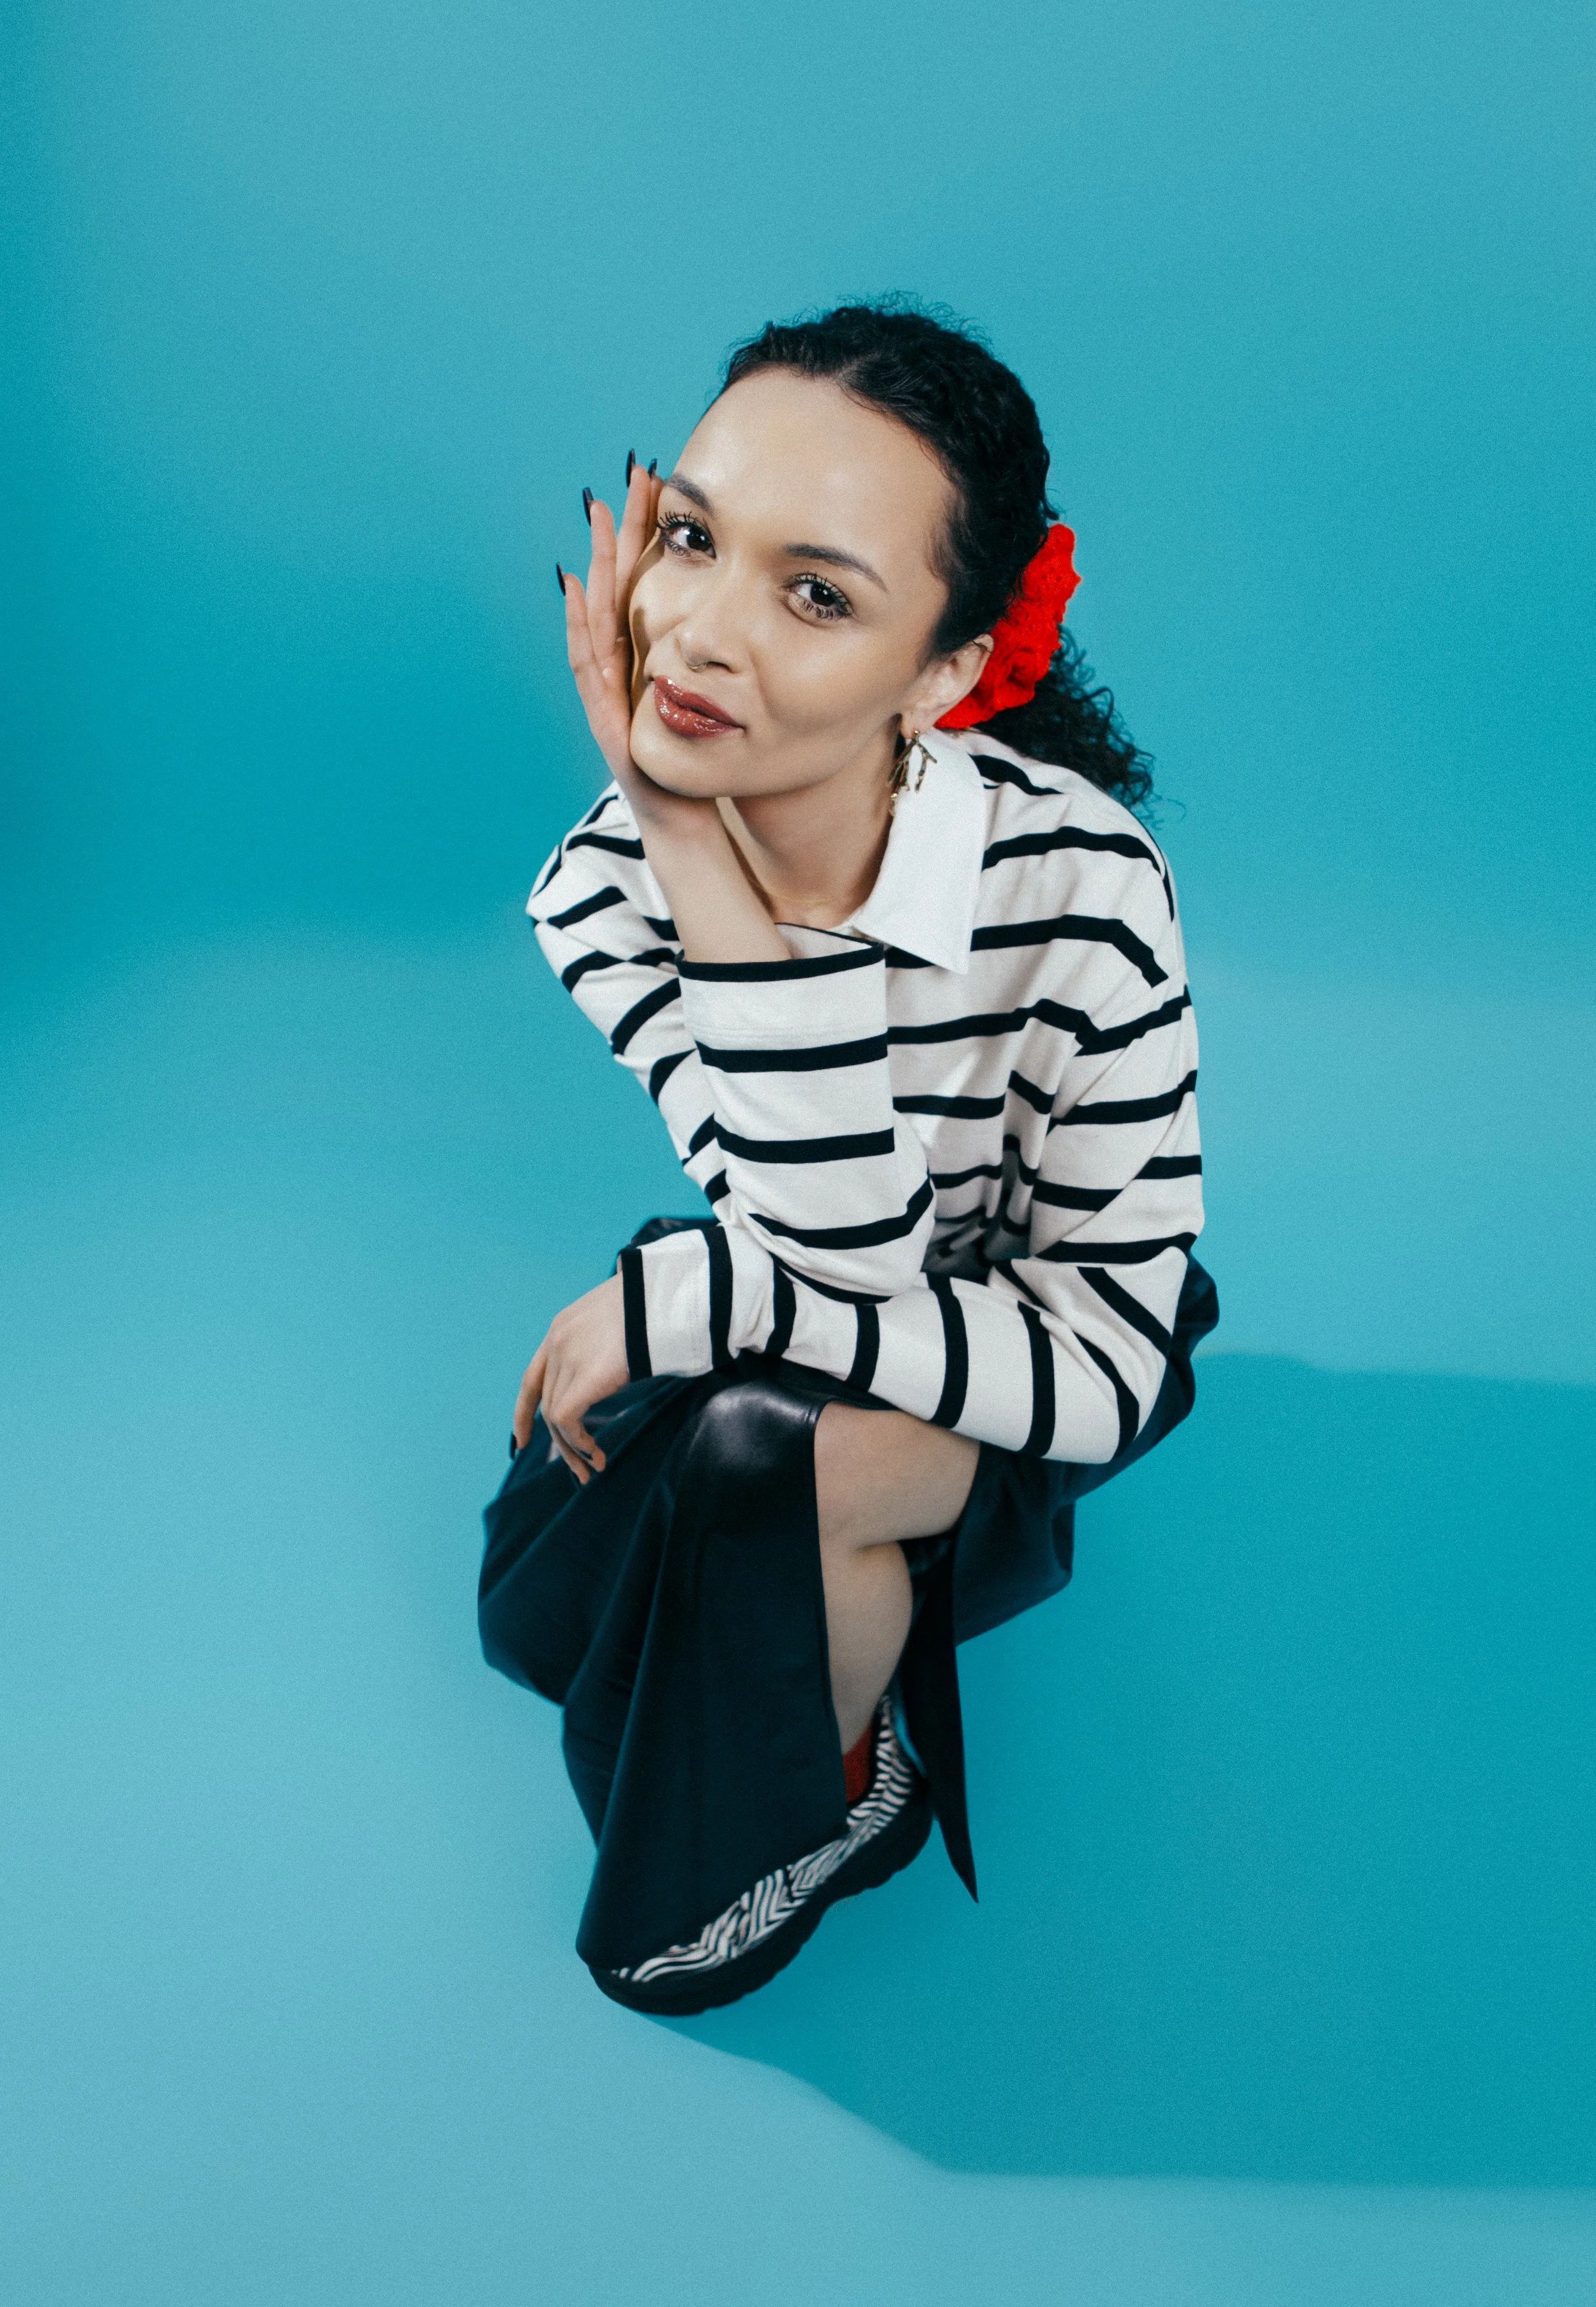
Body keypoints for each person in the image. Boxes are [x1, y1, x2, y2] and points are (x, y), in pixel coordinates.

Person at [479, 301, 1217, 2015]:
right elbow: (823, 1234)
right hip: (824, 1277)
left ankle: (834, 1803)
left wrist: (683, 1294)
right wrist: (680, 839)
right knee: (597, 1564)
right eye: (689, 538)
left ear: (950, 670)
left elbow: (1103, 1367)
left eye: (814, 593)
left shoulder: (1079, 887)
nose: (698, 637)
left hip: (1043, 1351)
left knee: (754, 1453)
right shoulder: (599, 879)